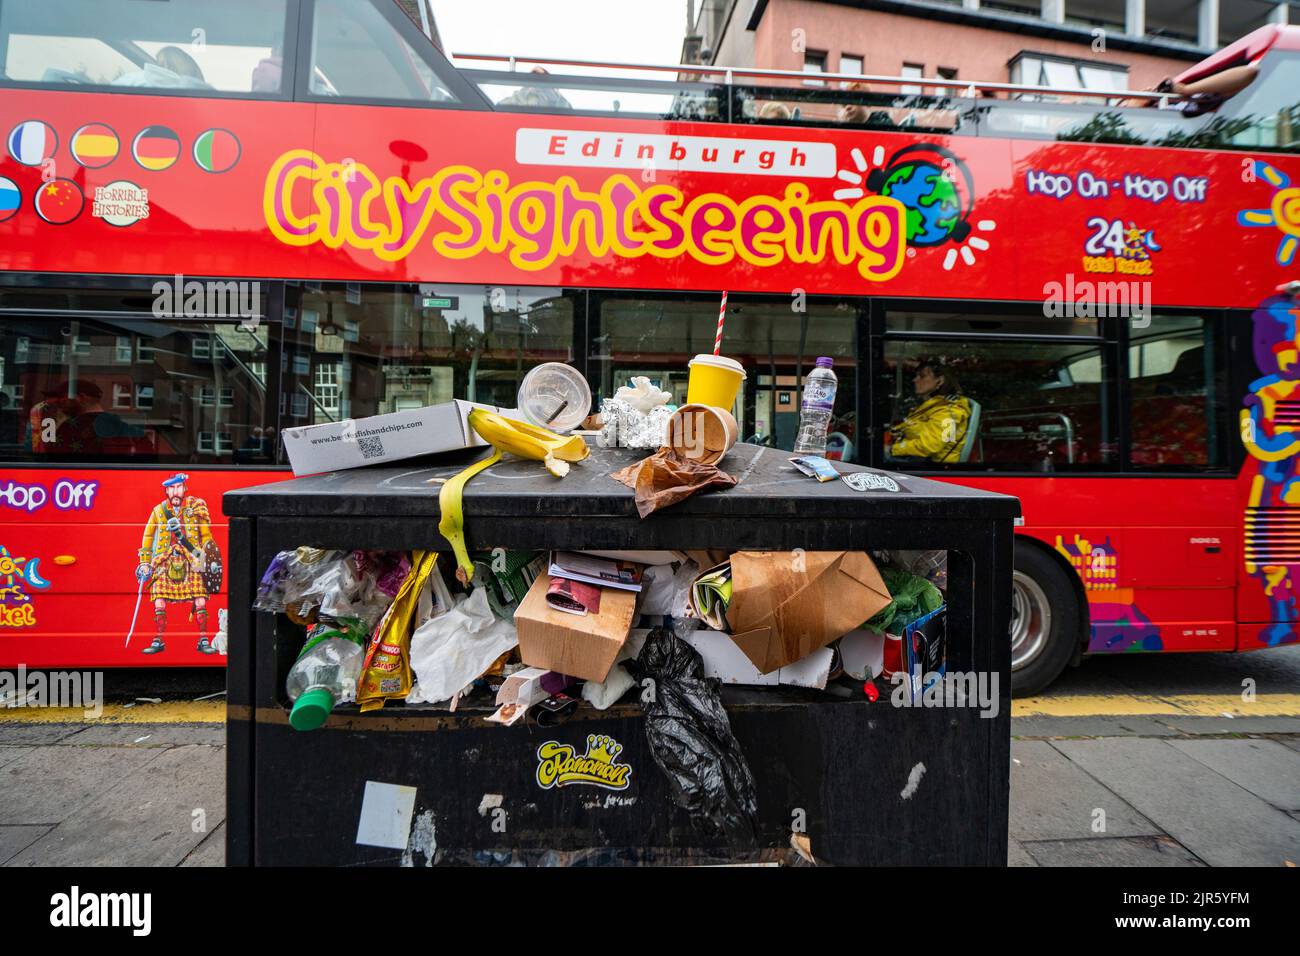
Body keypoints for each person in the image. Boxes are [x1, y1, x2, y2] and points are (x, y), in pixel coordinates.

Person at [134, 473, 219, 655]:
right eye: (171, 488)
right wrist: (144, 563)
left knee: (200, 599)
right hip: (164, 560)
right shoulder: (158, 511)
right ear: (166, 490)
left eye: (178, 487)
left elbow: (206, 536)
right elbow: (148, 537)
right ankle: (158, 640)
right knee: (159, 602)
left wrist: (209, 558)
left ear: (184, 488)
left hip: (191, 559)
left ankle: (203, 639)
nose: (175, 492)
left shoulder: (196, 508)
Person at [886, 361, 973, 464]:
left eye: (922, 376)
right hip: (917, 458)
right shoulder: (932, 406)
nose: (915, 380)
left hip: (931, 466)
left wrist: (893, 449)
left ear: (939, 381)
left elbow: (930, 445)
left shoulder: (948, 410)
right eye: (916, 376)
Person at [498, 66, 572, 109]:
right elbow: (498, 107)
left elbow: (570, 114)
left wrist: (551, 91)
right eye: (533, 78)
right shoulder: (518, 97)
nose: (537, 85)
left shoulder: (557, 100)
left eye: (542, 79)